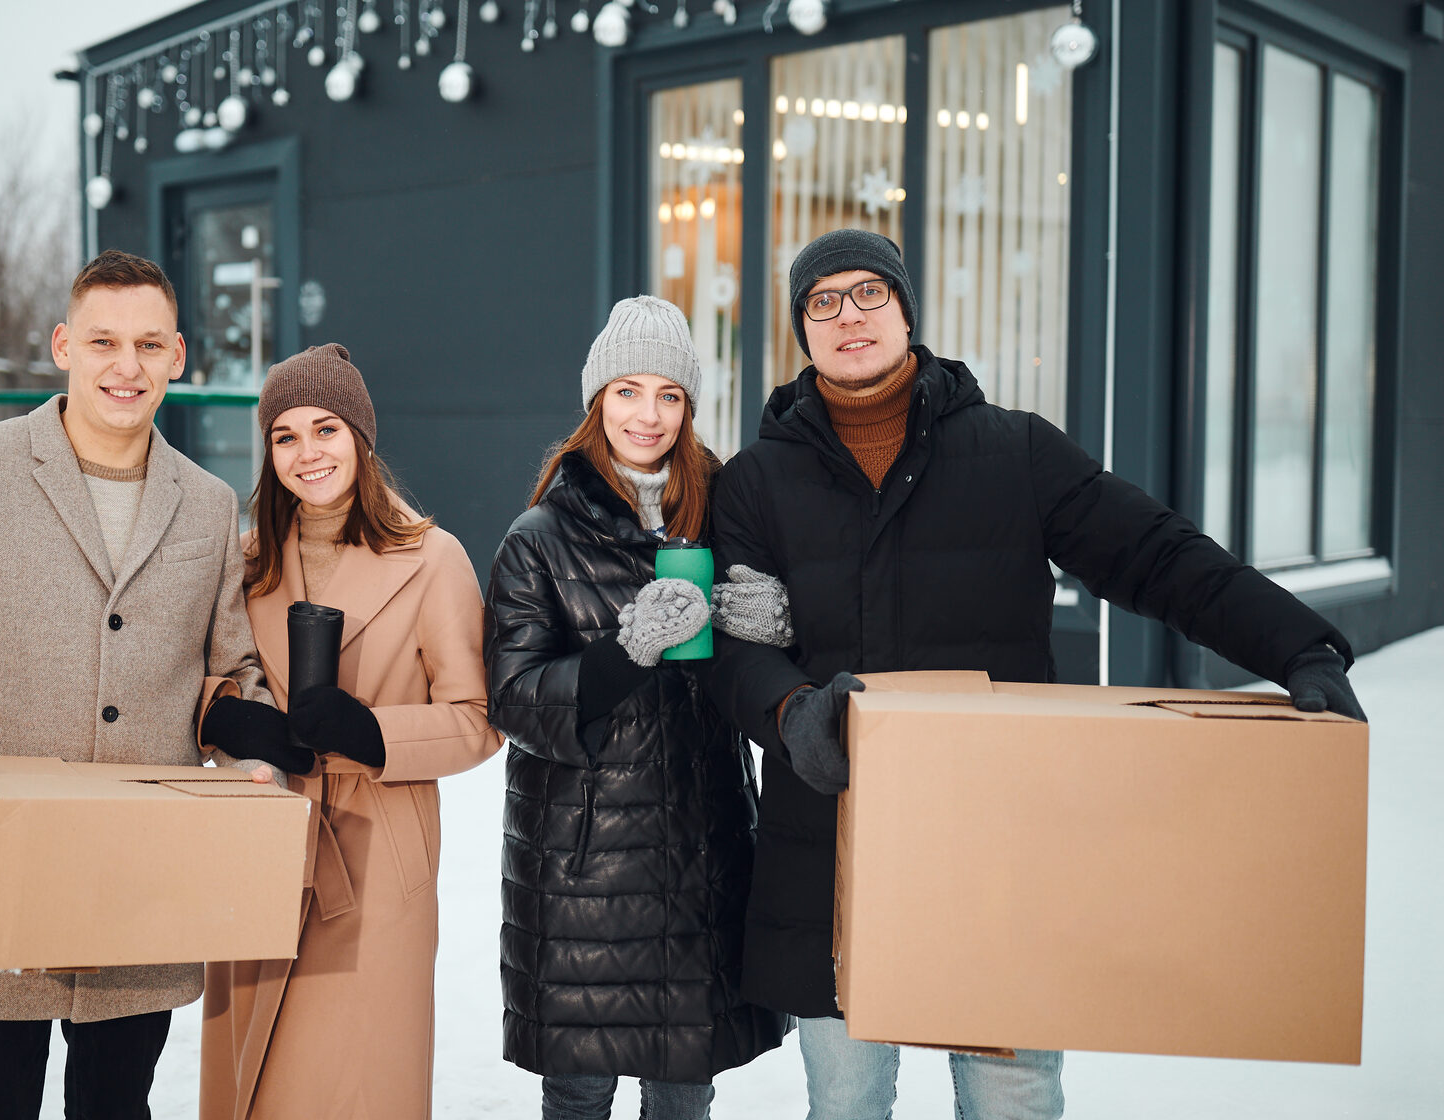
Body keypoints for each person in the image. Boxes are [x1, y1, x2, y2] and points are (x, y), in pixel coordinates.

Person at [699, 228, 1368, 1120]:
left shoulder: (1013, 452)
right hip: (832, 842)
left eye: (869, 293)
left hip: (999, 844)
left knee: (1014, 1097)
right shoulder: (752, 484)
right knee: (846, 1100)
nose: (847, 315)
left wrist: (1300, 647)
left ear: (905, 311)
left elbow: (1156, 556)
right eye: (822, 301)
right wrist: (788, 715)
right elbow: (737, 645)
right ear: (801, 330)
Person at [0, 249, 291, 1120]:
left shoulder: (206, 502)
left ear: (179, 356)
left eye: (148, 344)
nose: (126, 366)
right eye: (103, 341)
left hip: (144, 897)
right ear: (62, 345)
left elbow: (231, 671)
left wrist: (254, 753)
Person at [485, 296, 788, 1120]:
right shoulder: (539, 536)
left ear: (689, 407)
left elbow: (765, 679)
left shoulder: (728, 514)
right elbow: (513, 699)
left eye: (668, 395)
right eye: (627, 391)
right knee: (579, 1090)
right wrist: (625, 652)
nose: (646, 415)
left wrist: (762, 629)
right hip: (584, 865)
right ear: (596, 402)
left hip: (702, 849)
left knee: (685, 1088)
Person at [199, 342, 501, 1120]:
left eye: (326, 428)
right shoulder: (243, 562)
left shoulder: (432, 559)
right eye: (286, 435)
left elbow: (479, 719)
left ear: (360, 438)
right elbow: (198, 677)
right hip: (263, 838)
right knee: (257, 1080)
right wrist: (226, 715)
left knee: (361, 1082)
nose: (308, 453)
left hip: (377, 847)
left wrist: (369, 731)